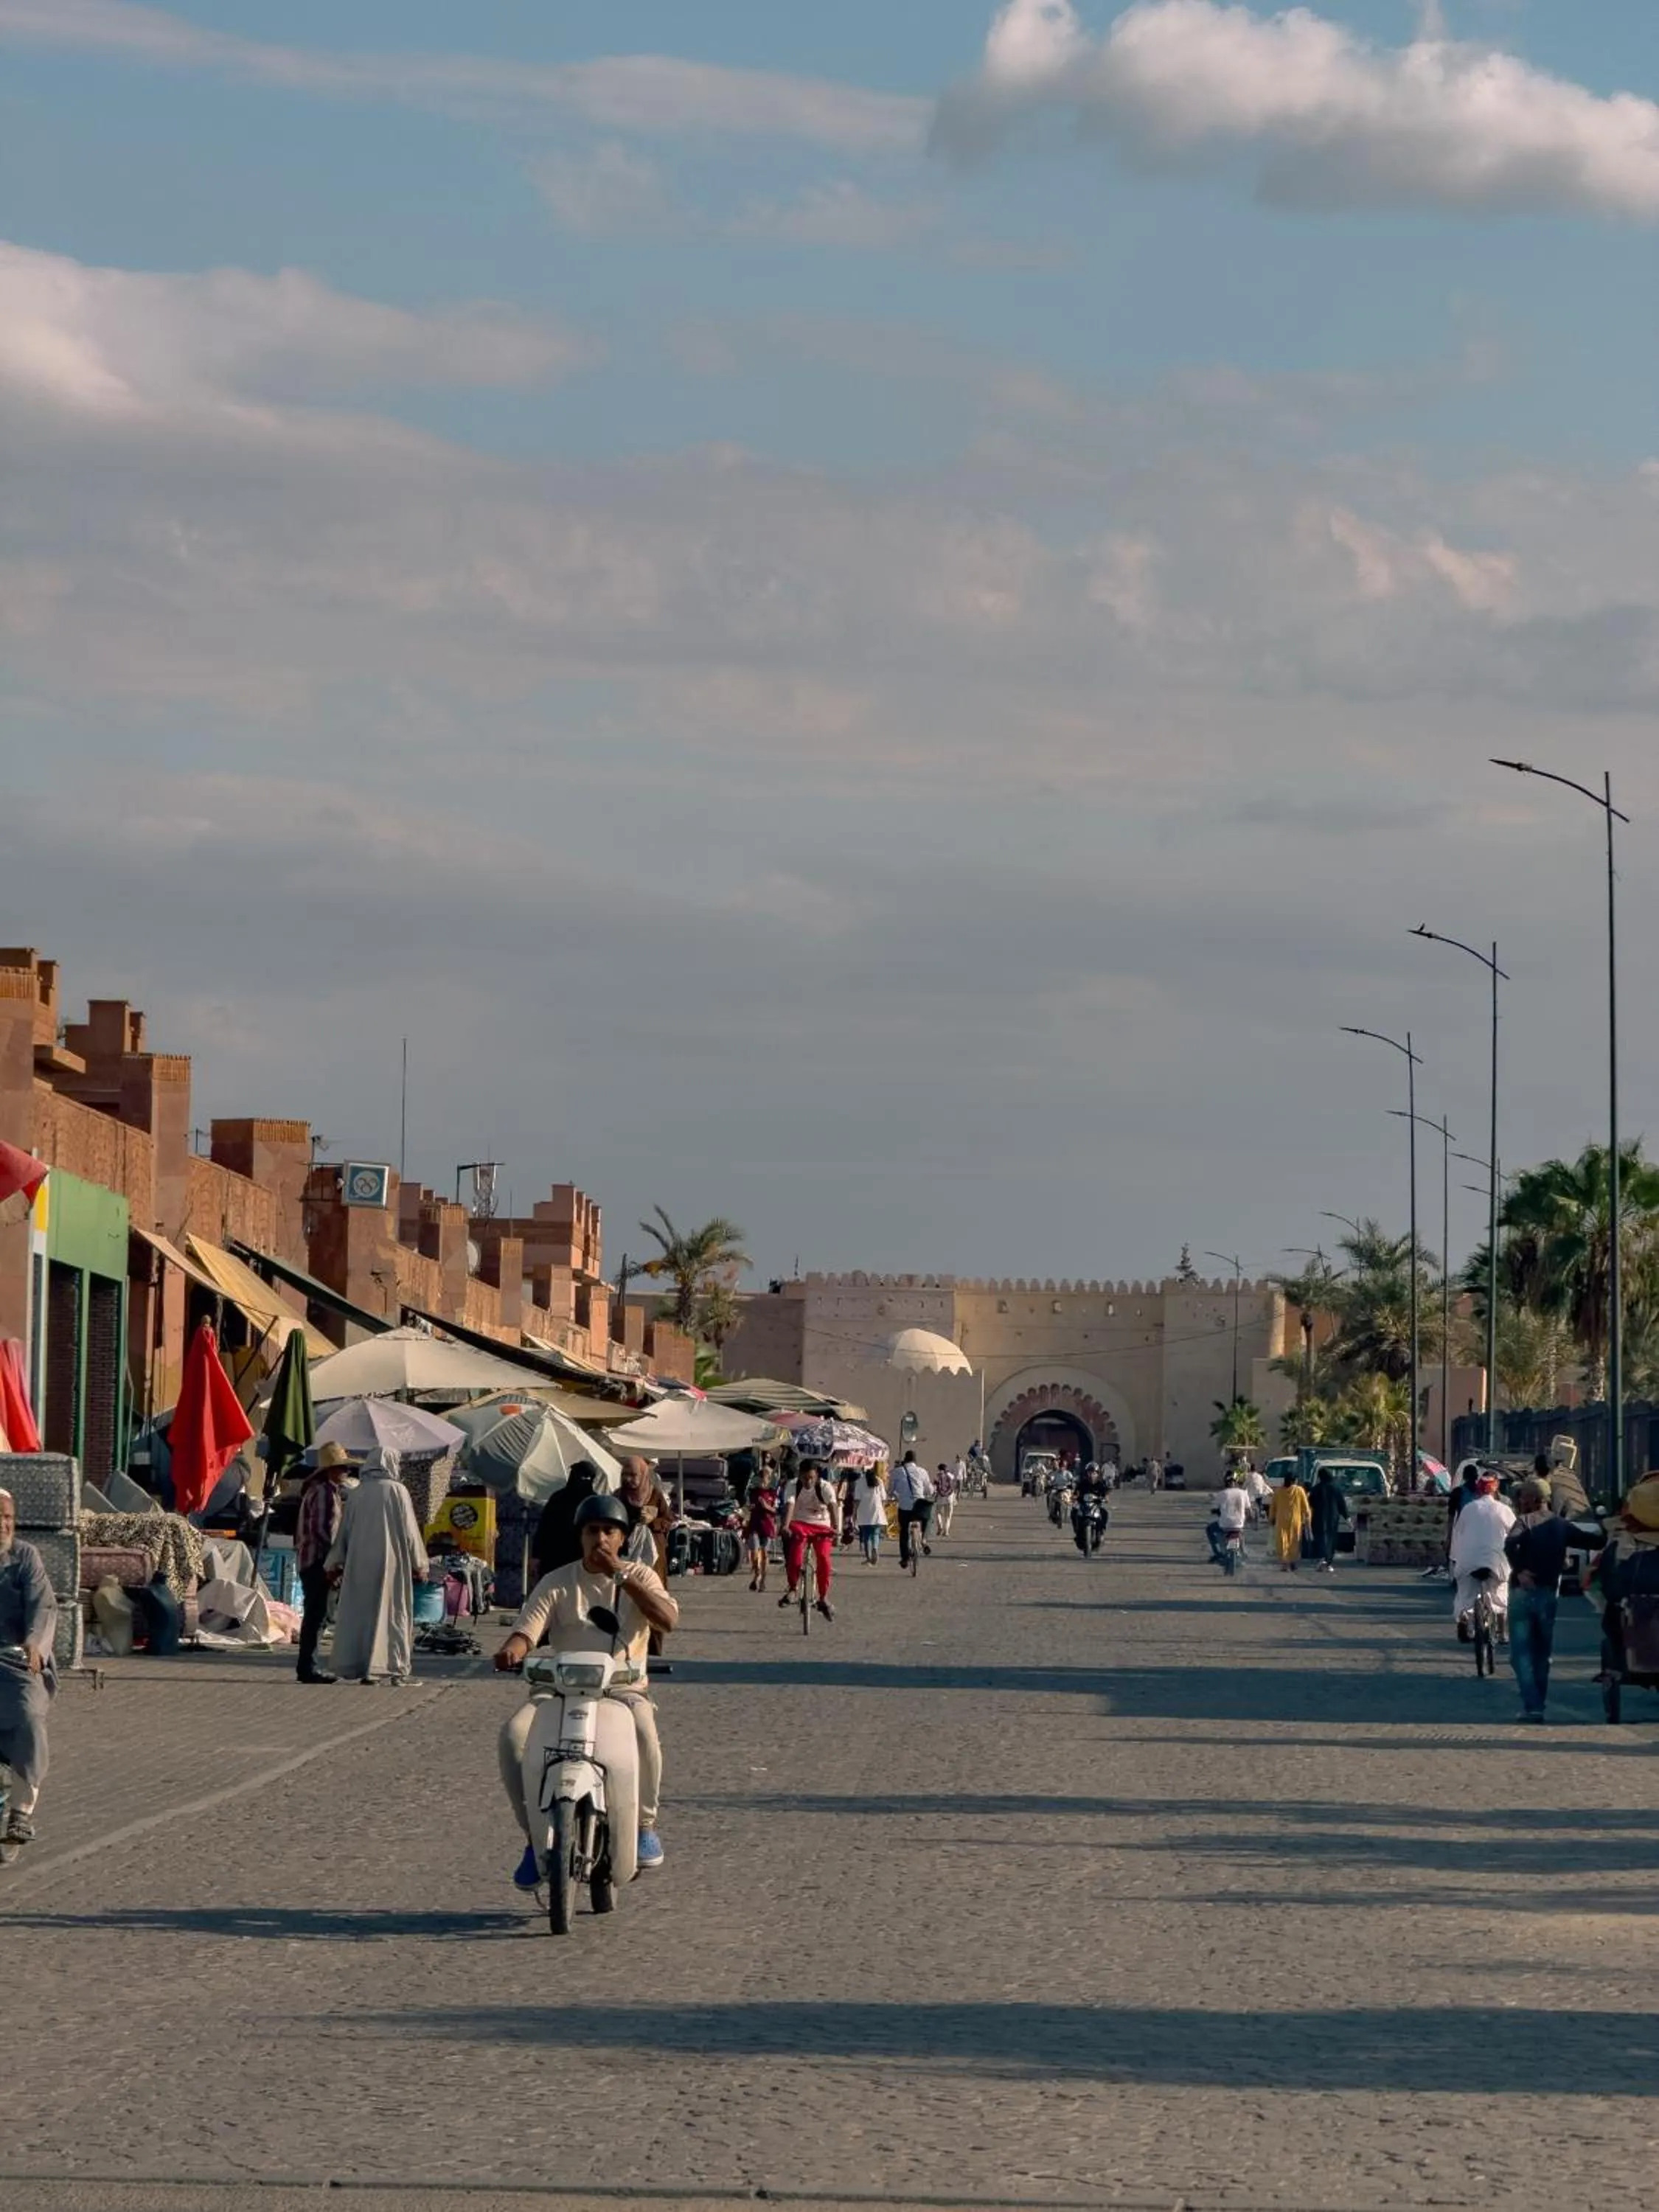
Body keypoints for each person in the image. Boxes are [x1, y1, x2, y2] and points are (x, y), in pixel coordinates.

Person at [495, 1491, 678, 1882]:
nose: (601, 1539)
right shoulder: (558, 1581)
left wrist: (622, 1577)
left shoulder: (641, 1575)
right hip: (561, 1689)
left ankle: (645, 1826)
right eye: (592, 1531)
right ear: (580, 1536)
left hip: (623, 1689)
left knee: (646, 1735)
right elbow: (528, 1629)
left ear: (623, 1537)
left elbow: (666, 1620)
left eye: (609, 1531)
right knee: (512, 1737)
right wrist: (511, 1651)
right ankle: (532, 1836)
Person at [325, 1446, 430, 1686]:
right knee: (391, 1614)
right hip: (390, 1565)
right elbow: (410, 1532)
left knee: (362, 1615)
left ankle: (361, 1665)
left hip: (359, 1565)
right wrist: (420, 1564)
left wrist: (335, 1562)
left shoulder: (357, 1493)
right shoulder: (398, 1491)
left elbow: (344, 1532)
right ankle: (391, 1667)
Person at [0, 1487, 56, 1846]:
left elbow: (43, 1606)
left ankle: (22, 1811)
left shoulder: (25, 1558)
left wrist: (35, 1643)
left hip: (16, 1659)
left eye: (8, 1518)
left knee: (29, 1715)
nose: (4, 1525)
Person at [1504, 1475, 1571, 1722]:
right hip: (1548, 1593)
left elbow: (1510, 1544)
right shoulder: (1560, 1524)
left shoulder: (1524, 1521)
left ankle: (1533, 1705)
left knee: (1521, 1653)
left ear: (1530, 1498)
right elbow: (1594, 1539)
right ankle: (1537, 1704)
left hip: (1523, 1593)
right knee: (1543, 1653)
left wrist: (1520, 1570)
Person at [294, 1442, 355, 1684]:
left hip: (314, 1560)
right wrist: (334, 1562)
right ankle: (309, 1667)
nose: (346, 1472)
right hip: (318, 1561)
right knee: (317, 1616)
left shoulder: (324, 1490)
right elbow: (323, 1531)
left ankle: (308, 1665)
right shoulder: (324, 1492)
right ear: (332, 1469)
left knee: (317, 1615)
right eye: (343, 1468)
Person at [1449, 1472, 1516, 1641]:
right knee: (1501, 1594)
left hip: (1468, 1562)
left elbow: (1458, 1533)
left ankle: (1463, 1622)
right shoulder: (1504, 1510)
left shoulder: (1468, 1509)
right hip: (1496, 1564)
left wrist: (1456, 1558)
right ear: (1496, 1489)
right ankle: (1502, 1633)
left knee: (1464, 1593)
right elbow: (1516, 1534)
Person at [780, 1461, 838, 1621]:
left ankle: (823, 1597)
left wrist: (835, 1528)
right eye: (805, 1478)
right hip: (800, 1523)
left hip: (822, 1525)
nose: (809, 1482)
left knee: (824, 1559)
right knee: (796, 1554)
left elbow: (833, 1506)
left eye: (812, 1478)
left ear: (817, 1476)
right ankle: (792, 1588)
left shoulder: (825, 1487)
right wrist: (785, 1526)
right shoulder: (793, 1486)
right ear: (800, 1476)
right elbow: (790, 1505)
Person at [530, 1461, 599, 1583]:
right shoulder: (558, 1498)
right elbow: (544, 1529)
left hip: (581, 1560)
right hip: (553, 1560)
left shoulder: (593, 1501)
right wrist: (536, 1556)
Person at [890, 1450, 935, 1568]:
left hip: (904, 1508)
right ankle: (924, 1540)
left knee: (904, 1531)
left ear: (905, 1460)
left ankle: (904, 1558)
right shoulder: (922, 1471)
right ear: (915, 1461)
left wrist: (895, 1496)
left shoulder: (896, 1472)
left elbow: (891, 1490)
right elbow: (929, 1490)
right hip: (919, 1506)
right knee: (928, 1518)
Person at [743, 1464, 779, 1591]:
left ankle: (762, 1579)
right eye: (761, 1476)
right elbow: (746, 1507)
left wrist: (766, 1507)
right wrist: (749, 1508)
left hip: (767, 1526)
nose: (763, 1479)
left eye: (766, 1476)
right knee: (754, 1551)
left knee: (764, 1554)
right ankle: (757, 1573)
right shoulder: (753, 1492)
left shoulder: (773, 1493)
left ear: (769, 1478)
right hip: (754, 1524)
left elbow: (777, 1510)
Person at [1308, 1467, 1349, 1574]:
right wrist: (1347, 1518)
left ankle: (1323, 1559)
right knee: (1331, 1540)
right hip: (1332, 1518)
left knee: (1321, 1538)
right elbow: (1342, 1505)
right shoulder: (1336, 1488)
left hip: (1318, 1518)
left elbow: (1310, 1503)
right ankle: (1328, 1562)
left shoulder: (1316, 1489)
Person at [1268, 1470, 1311, 1571]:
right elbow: (1306, 1507)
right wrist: (1308, 1517)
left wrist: (1271, 1519)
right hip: (1296, 1521)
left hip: (1281, 1520)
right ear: (1295, 1480)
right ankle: (1293, 1561)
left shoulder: (1278, 1491)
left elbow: (1273, 1507)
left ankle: (1285, 1563)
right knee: (1294, 1541)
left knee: (1282, 1541)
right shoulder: (1299, 1490)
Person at [1209, 1474, 1249, 1565]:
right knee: (1240, 1531)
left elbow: (1215, 1507)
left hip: (1225, 1524)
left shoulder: (1222, 1493)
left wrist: (1215, 1511)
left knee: (1210, 1529)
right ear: (1235, 1483)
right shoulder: (1243, 1493)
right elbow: (1248, 1509)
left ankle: (1218, 1552)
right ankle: (1243, 1551)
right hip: (1239, 1524)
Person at [854, 1466, 890, 1562]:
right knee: (876, 1533)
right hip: (877, 1511)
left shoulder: (860, 1482)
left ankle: (868, 1556)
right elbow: (883, 1498)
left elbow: (857, 1499)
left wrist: (854, 1513)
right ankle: (875, 1548)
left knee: (866, 1535)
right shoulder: (879, 1481)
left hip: (864, 1511)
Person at [933, 1461, 957, 1540]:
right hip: (949, 1498)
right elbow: (954, 1487)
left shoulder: (937, 1476)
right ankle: (946, 1531)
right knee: (948, 1516)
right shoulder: (951, 1476)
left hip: (940, 1498)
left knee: (938, 1513)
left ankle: (940, 1527)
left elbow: (935, 1487)